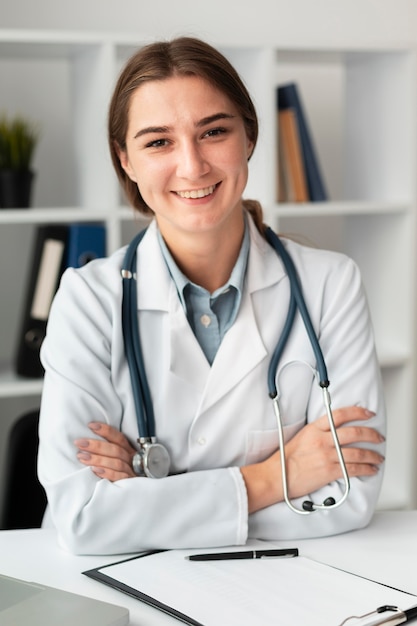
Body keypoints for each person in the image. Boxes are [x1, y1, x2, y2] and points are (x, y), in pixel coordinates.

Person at [38, 37, 386, 556]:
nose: (193, 165)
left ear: (249, 137)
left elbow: (349, 497)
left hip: (276, 588)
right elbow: (84, 518)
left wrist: (151, 488)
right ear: (125, 160)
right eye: (158, 142)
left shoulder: (330, 285)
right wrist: (275, 476)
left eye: (214, 132)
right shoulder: (88, 300)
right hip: (122, 590)